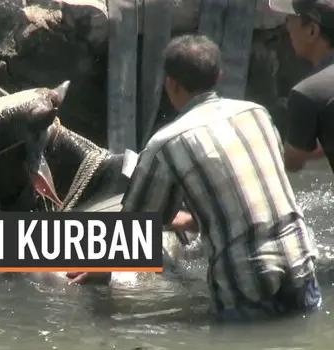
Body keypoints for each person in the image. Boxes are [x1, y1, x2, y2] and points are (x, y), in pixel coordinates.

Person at [67, 34, 322, 323]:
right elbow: (256, 191)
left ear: (170, 84)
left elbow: (131, 232)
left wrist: (100, 273)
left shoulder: (166, 142)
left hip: (247, 283)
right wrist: (191, 220)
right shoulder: (257, 113)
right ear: (220, 76)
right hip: (302, 264)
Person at [268, 0, 334, 173]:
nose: (286, 27)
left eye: (290, 19)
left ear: (312, 30)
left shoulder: (307, 93)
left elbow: (292, 163)